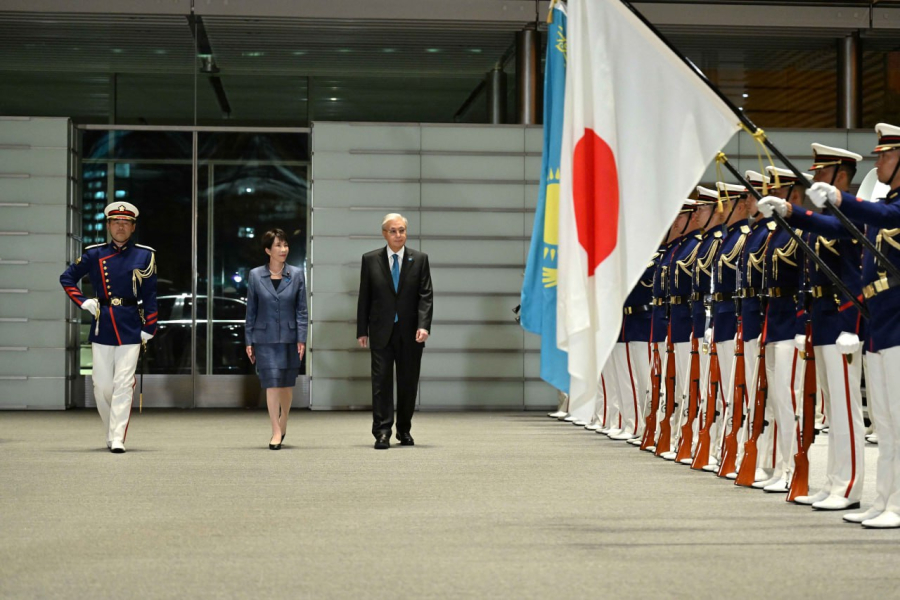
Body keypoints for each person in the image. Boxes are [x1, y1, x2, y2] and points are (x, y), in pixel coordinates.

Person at [59, 202, 157, 453]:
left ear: (133, 227)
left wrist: (150, 325)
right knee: (101, 385)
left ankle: (117, 438)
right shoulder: (94, 253)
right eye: (115, 222)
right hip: (103, 323)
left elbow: (150, 293)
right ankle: (111, 430)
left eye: (125, 223)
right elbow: (67, 278)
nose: (120, 226)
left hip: (131, 324)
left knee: (123, 384)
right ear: (108, 225)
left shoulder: (145, 255)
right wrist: (83, 301)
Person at [357, 213, 434, 450]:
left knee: (408, 383)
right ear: (384, 233)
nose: (398, 235)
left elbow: (426, 295)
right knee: (380, 383)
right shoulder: (370, 260)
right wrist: (362, 330)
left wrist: (424, 325)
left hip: (411, 332)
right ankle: (382, 432)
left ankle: (404, 430)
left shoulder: (419, 259)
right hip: (381, 330)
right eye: (393, 231)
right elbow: (365, 297)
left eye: (402, 230)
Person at [244, 229, 308, 450]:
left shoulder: (297, 274)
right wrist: (248, 340)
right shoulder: (255, 275)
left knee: (286, 385)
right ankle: (275, 430)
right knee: (271, 384)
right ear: (268, 250)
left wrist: (302, 339)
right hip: (265, 338)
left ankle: (284, 421)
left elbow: (302, 310)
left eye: (286, 245)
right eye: (278, 246)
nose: (283, 250)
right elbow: (251, 310)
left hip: (290, 337)